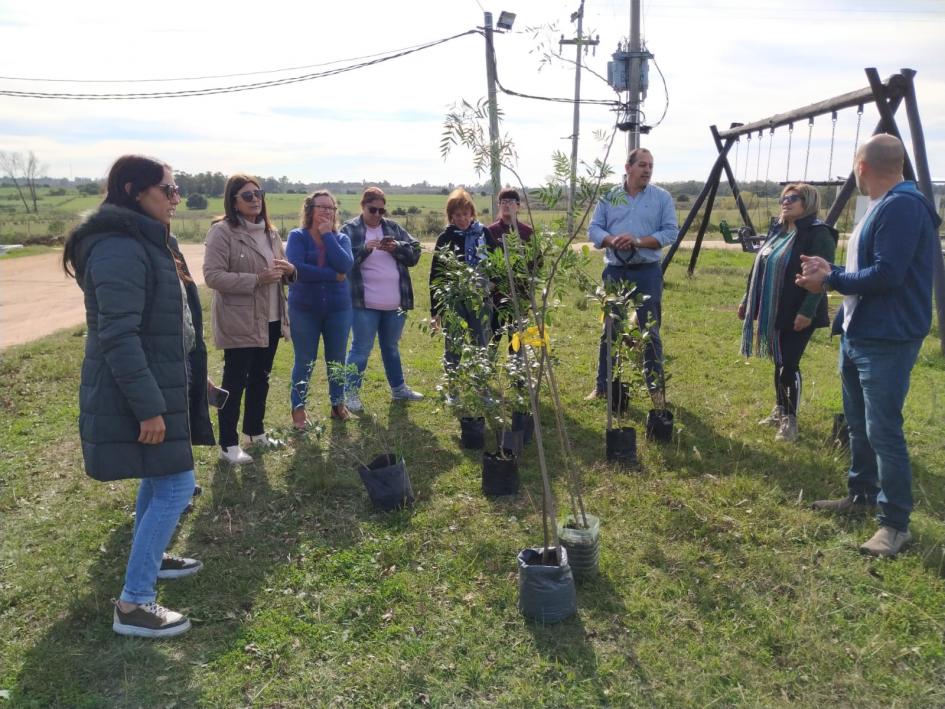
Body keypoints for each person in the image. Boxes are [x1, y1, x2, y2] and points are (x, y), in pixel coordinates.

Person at [62, 155, 214, 638]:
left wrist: (193, 380)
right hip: (140, 390)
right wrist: (149, 407)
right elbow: (119, 337)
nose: (176, 198)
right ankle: (134, 604)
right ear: (134, 191)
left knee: (161, 474)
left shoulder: (145, 240)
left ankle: (153, 555)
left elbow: (168, 325)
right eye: (168, 189)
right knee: (176, 484)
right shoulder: (119, 248)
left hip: (162, 380)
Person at [796, 133, 941, 557]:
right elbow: (869, 268)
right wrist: (833, 268)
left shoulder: (902, 206)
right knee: (859, 424)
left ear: (861, 167)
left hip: (888, 338)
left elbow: (887, 276)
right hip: (861, 332)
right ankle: (861, 495)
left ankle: (895, 524)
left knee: (883, 431)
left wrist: (831, 280)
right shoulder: (884, 206)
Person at [203, 174, 295, 465]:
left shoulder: (271, 232)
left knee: (261, 378)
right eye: (247, 195)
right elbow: (212, 276)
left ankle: (255, 432)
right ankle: (228, 444)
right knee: (235, 380)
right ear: (233, 201)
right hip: (240, 319)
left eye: (259, 193)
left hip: (270, 317)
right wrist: (256, 279)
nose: (255, 200)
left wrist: (290, 270)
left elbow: (282, 270)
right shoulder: (222, 232)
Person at [738, 183, 837, 442]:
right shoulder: (780, 230)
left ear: (808, 202)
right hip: (776, 309)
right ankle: (780, 409)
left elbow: (821, 279)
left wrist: (806, 313)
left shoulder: (818, 234)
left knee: (789, 364)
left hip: (801, 311)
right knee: (779, 361)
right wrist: (747, 299)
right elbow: (759, 267)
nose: (786, 202)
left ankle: (790, 421)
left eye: (794, 198)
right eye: (784, 198)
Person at [586, 148, 679, 403]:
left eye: (650, 165)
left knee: (650, 332)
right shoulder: (609, 196)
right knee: (611, 330)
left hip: (647, 272)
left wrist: (638, 241)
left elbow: (671, 232)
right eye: (642, 165)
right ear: (628, 168)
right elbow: (593, 228)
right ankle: (603, 387)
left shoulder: (662, 198)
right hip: (615, 271)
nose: (647, 170)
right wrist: (611, 240)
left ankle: (656, 392)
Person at [341, 186, 424, 412]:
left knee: (391, 347)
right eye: (373, 210)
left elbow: (416, 251)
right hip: (363, 304)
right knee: (360, 349)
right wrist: (364, 250)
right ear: (363, 206)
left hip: (395, 303)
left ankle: (399, 389)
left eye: (381, 210)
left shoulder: (393, 228)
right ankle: (350, 394)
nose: (377, 215)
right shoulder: (349, 229)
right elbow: (341, 263)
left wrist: (396, 247)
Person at [286, 190, 354, 423]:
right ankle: (298, 410)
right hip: (304, 308)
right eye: (321, 207)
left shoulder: (341, 238)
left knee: (337, 360)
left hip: (339, 309)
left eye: (331, 208)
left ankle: (338, 404)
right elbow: (297, 268)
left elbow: (345, 265)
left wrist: (327, 235)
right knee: (304, 360)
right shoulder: (297, 236)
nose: (327, 211)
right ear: (310, 210)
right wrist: (331, 275)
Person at [429, 188, 492, 401]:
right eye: (457, 215)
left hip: (479, 300)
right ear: (451, 216)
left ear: (472, 213)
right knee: (453, 344)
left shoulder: (484, 234)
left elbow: (496, 264)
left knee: (481, 344)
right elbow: (436, 274)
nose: (462, 219)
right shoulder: (445, 238)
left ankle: (481, 388)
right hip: (453, 300)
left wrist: (492, 284)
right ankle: (453, 389)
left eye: (465, 214)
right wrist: (435, 310)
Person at [486, 187, 535, 347]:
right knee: (492, 338)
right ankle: (488, 368)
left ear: (518, 205)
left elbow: (537, 262)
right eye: (503, 202)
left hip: (520, 295)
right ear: (499, 205)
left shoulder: (528, 232)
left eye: (511, 202)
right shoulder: (490, 231)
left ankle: (518, 369)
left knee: (517, 340)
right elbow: (485, 262)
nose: (507, 205)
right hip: (496, 295)